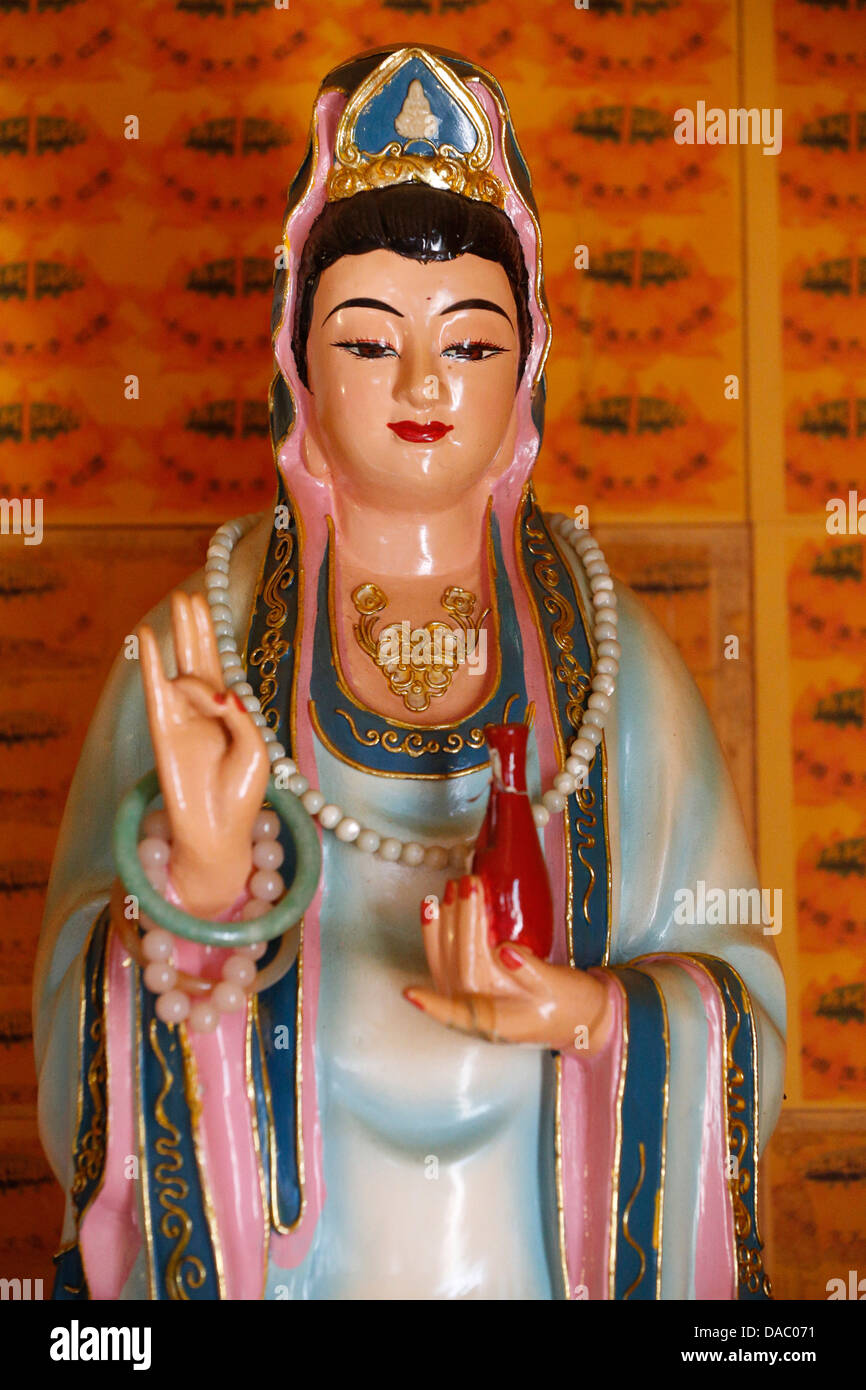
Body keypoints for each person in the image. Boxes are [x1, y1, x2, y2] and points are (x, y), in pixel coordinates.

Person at [34, 44, 785, 1301]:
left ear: (529, 362)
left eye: (472, 343)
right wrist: (199, 904)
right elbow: (75, 1025)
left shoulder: (615, 665)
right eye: (371, 341)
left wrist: (593, 1021)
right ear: (296, 362)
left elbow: (740, 1004)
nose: (425, 385)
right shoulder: (201, 652)